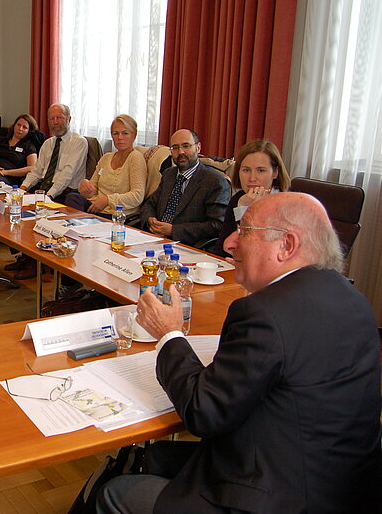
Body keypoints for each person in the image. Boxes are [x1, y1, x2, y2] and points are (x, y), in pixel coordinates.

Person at [97, 192, 381, 513]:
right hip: (339, 484)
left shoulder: (265, 313)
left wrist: (169, 333)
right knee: (154, 456)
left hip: (277, 496)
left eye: (244, 231)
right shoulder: (354, 300)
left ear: (286, 245)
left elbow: (202, 413)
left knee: (116, 492)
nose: (230, 243)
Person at [7, 103, 88, 280]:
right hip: (45, 188)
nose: (55, 122)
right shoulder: (48, 143)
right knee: (18, 214)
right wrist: (22, 189)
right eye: (52, 119)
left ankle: (36, 263)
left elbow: (67, 174)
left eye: (59, 118)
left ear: (69, 119)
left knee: (38, 219)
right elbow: (36, 171)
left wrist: (49, 196)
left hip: (66, 192)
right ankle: (26, 256)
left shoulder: (79, 142)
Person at [139, 129, 230, 245]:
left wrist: (173, 230)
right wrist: (151, 220)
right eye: (175, 147)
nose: (180, 152)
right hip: (154, 238)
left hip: (187, 245)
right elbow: (149, 204)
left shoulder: (215, 181)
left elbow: (217, 225)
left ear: (198, 148)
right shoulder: (168, 174)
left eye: (186, 146)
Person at [212, 138, 290, 256]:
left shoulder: (286, 205)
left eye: (261, 170)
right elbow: (222, 246)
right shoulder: (238, 198)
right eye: (246, 170)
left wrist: (243, 210)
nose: (252, 178)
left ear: (275, 173)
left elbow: (258, 253)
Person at [66, 114, 147, 218]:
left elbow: (137, 196)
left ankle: (81, 224)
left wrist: (107, 200)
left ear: (134, 136)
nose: (120, 137)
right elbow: (92, 190)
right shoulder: (106, 158)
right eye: (116, 133)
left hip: (118, 214)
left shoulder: (136, 158)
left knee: (78, 214)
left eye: (125, 133)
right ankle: (81, 224)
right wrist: (85, 187)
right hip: (96, 208)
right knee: (72, 197)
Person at [0, 114, 38, 186]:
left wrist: (6, 172)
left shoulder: (29, 146)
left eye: (24, 127)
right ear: (14, 125)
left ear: (29, 131)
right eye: (18, 125)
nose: (20, 129)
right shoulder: (1, 141)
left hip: (9, 178)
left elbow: (32, 168)